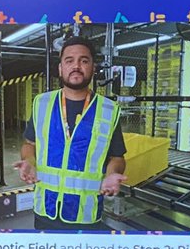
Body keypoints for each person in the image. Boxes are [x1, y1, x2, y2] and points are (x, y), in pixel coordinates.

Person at [14, 37, 127, 231]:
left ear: (93, 67)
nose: (76, 66)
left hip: (86, 214)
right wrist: (30, 162)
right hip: (45, 210)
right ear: (60, 68)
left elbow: (117, 157)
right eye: (69, 60)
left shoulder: (109, 110)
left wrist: (112, 174)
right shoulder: (42, 103)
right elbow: (29, 144)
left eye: (84, 61)